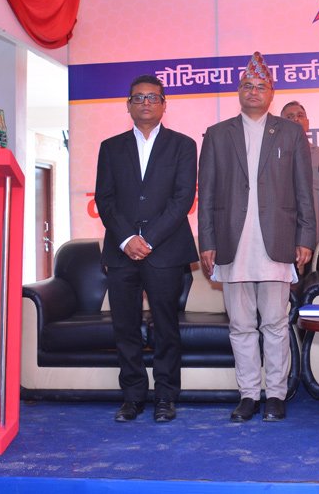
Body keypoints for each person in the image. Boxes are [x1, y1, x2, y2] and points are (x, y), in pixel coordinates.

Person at [198, 52, 316, 423]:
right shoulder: (218, 134)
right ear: (238, 91)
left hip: (277, 240)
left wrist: (306, 237)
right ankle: (249, 394)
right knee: (240, 325)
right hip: (231, 242)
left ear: (271, 93)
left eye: (260, 86)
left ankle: (276, 394)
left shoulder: (290, 132)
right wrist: (207, 241)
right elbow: (207, 193)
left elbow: (304, 190)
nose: (253, 91)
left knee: (276, 324)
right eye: (247, 85)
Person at [95, 74, 199, 423]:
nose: (145, 103)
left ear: (164, 105)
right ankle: (133, 397)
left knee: (166, 328)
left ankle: (166, 397)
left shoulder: (183, 145)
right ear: (128, 105)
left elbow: (182, 199)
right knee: (125, 328)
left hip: (164, 251)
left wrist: (149, 238)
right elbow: (105, 199)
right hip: (121, 251)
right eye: (138, 98)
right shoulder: (111, 147)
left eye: (153, 98)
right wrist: (127, 239)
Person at [280, 100, 319, 257]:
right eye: (290, 117)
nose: (296, 119)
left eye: (300, 115)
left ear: (308, 122)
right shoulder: (272, 156)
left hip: (318, 242)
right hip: (282, 241)